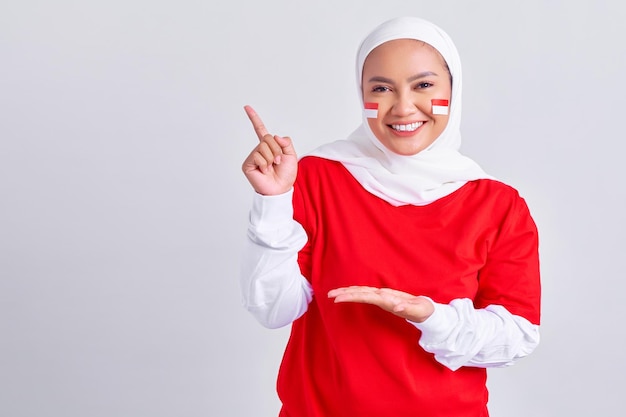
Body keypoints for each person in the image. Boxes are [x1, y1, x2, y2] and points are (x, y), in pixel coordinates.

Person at [239, 16, 541, 417]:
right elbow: (273, 310)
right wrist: (273, 201)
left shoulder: (498, 205)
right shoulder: (315, 178)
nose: (402, 107)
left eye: (423, 85)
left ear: (454, 89)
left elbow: (516, 338)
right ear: (360, 93)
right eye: (380, 88)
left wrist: (430, 316)